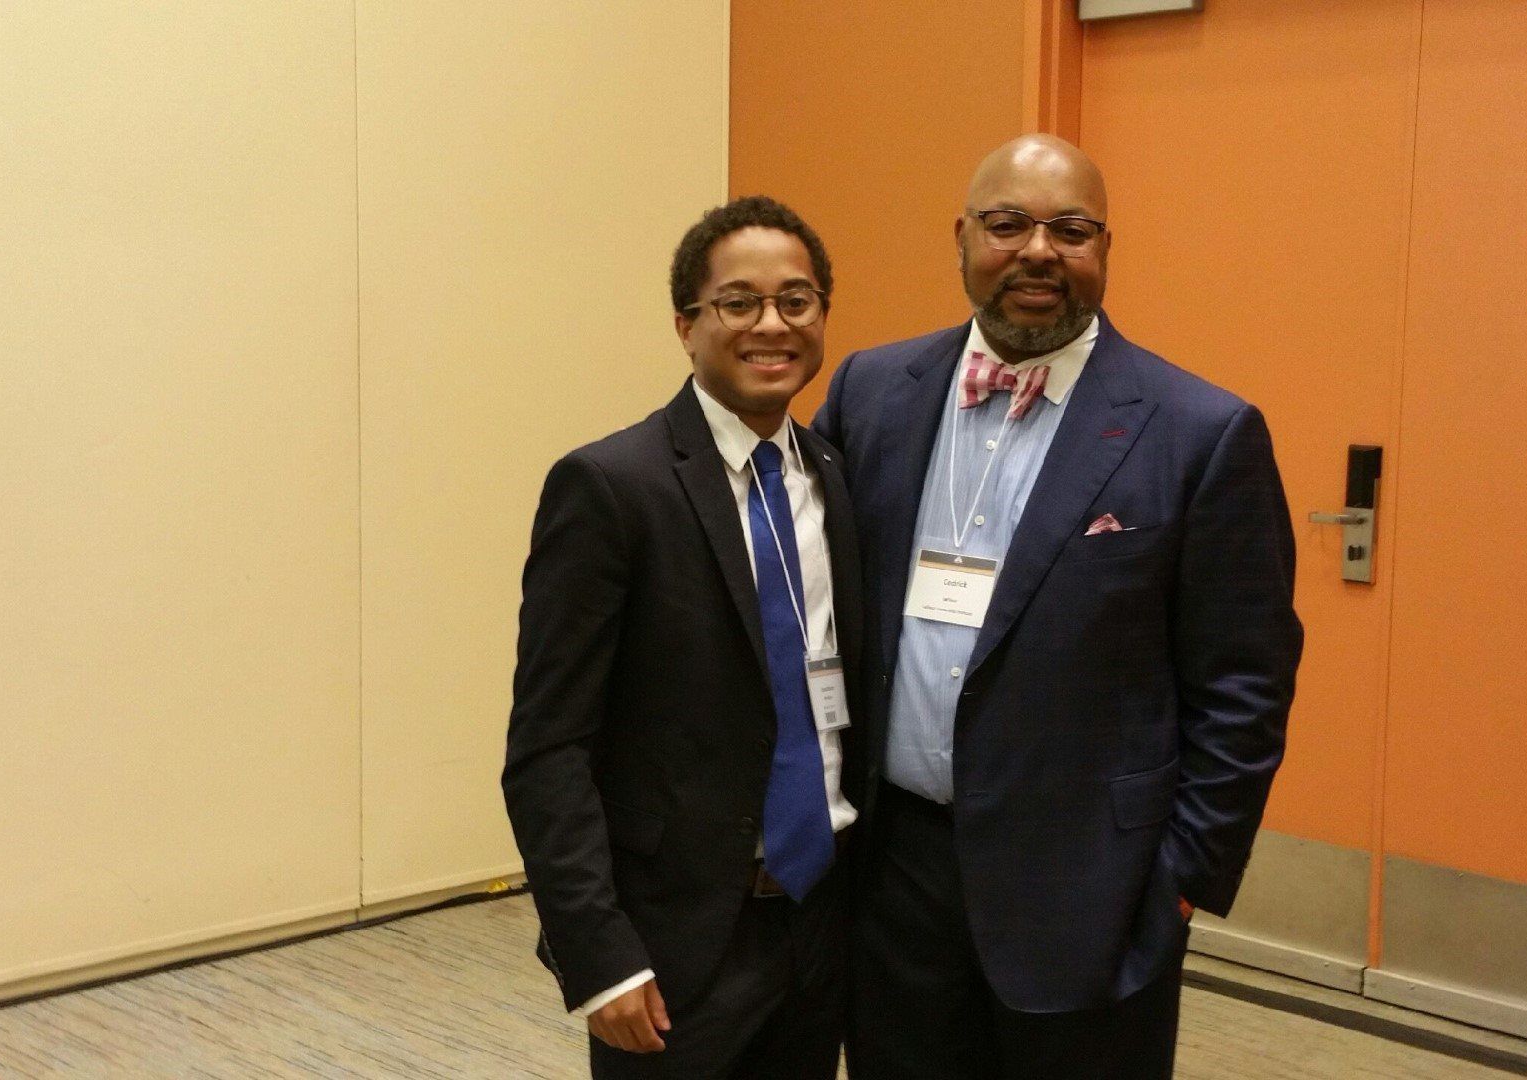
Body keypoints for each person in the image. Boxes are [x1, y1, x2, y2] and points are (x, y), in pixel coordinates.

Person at [813, 134, 1302, 1079]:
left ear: (1105, 248)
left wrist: (1182, 880)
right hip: (894, 880)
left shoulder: (1200, 432)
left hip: (1091, 895)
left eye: (1071, 230)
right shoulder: (870, 393)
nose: (1039, 250)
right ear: (961, 238)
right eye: (1008, 224)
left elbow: (1245, 682)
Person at [503, 195, 862, 1079]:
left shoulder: (835, 478)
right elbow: (549, 748)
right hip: (676, 946)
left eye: (796, 301)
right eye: (738, 302)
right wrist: (598, 953)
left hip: (821, 924)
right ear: (686, 325)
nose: (771, 324)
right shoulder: (609, 487)